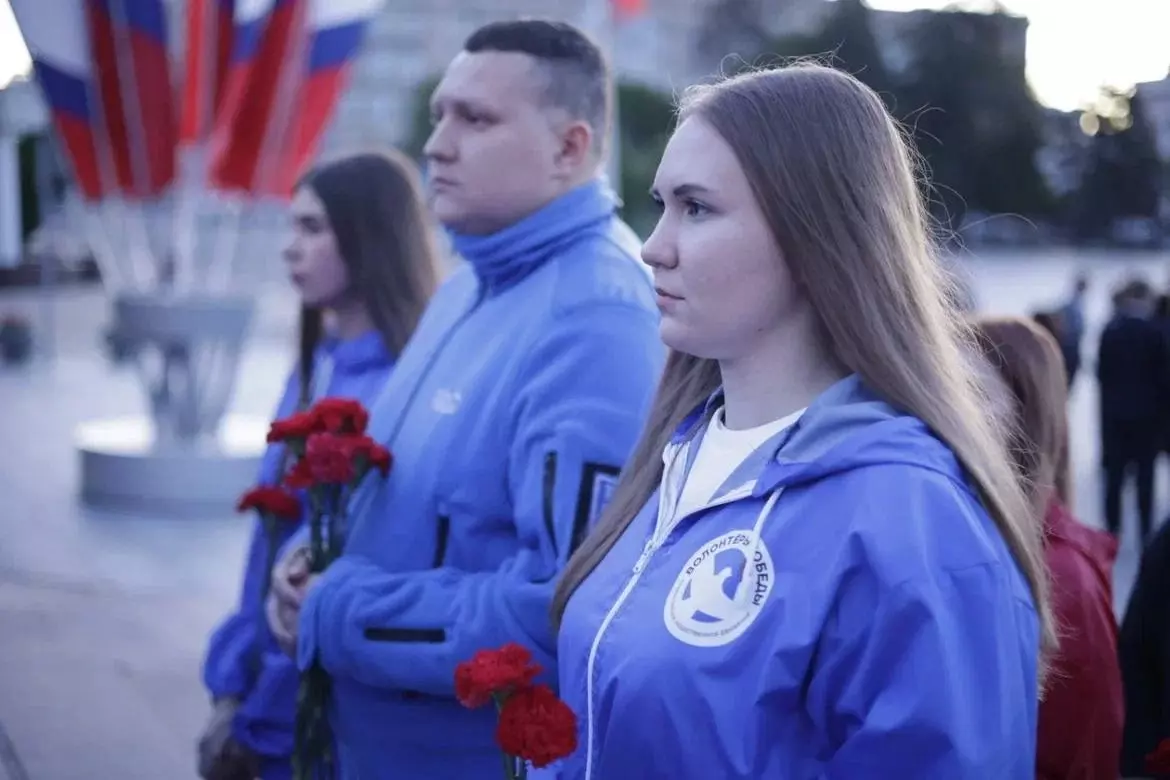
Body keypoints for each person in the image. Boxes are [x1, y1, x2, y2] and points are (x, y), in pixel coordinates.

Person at [550, 63, 1053, 779]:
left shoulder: (913, 521)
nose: (654, 246)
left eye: (696, 208)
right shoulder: (677, 458)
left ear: (816, 232)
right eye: (660, 205)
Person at [265, 20, 664, 778]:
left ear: (570, 148)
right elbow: (393, 496)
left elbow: (561, 610)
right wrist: (306, 561)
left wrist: (334, 609)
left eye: (475, 119)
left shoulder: (598, 319)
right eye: (439, 115)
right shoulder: (469, 284)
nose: (437, 144)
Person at [198, 149, 441, 780]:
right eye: (291, 226)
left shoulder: (396, 387)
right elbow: (269, 547)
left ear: (369, 237)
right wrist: (232, 684)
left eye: (312, 228)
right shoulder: (318, 363)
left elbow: (332, 562)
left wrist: (265, 716)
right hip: (264, 684)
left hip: (311, 714)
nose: (290, 248)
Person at [971, 316, 1123, 780]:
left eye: (973, 394)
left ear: (1026, 409)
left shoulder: (1063, 577)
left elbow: (1080, 756)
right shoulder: (967, 539)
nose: (943, 409)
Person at [1097, 278, 1164, 544]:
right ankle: (1145, 532)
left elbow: (1102, 376)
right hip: (1147, 419)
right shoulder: (1154, 332)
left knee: (1114, 479)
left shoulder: (1110, 330)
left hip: (1115, 418)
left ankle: (1112, 532)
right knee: (1145, 479)